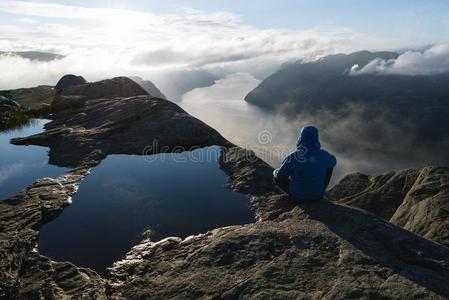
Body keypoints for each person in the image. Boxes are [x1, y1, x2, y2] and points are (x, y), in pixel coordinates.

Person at [273, 125, 336, 200]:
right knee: (329, 167)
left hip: (298, 196)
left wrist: (275, 172)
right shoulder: (324, 154)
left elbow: (280, 176)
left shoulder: (293, 156)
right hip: (318, 196)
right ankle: (318, 190)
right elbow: (333, 162)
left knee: (276, 178)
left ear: (301, 137)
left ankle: (298, 192)